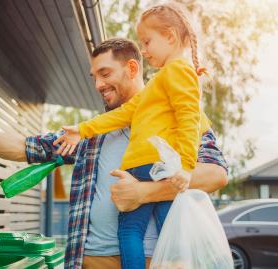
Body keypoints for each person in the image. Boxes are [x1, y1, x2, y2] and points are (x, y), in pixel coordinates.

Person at [0, 38, 228, 269]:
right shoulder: (91, 134)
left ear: (132, 68)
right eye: (94, 77)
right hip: (90, 262)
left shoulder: (179, 117)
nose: (98, 85)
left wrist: (143, 192)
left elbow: (215, 175)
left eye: (105, 74)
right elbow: (22, 148)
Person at [54, 3, 209, 269]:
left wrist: (185, 165)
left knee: (130, 231)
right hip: (158, 167)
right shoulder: (160, 82)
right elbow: (124, 114)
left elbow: (189, 119)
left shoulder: (176, 71)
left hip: (147, 165)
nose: (145, 49)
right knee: (168, 228)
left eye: (148, 42)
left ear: (170, 36)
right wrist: (83, 129)